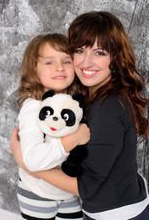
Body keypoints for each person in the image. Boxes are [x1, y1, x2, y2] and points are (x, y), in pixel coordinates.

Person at [10, 12, 149, 220]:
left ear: (115, 57)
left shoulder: (109, 107)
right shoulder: (83, 97)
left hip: (118, 214)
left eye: (100, 52)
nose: (87, 62)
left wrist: (24, 160)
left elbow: (88, 186)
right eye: (80, 50)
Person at [13, 33, 90, 220]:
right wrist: (72, 140)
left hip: (67, 193)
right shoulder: (34, 107)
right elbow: (32, 160)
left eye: (66, 61)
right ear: (34, 70)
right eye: (49, 62)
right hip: (37, 192)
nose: (59, 68)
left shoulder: (75, 104)